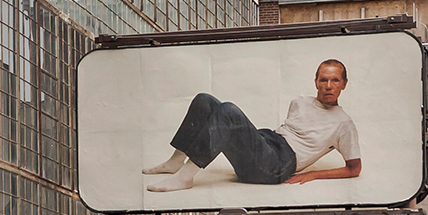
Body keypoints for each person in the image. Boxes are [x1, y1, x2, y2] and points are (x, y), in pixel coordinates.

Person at [145, 58, 364, 191]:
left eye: (335, 80)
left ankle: (185, 178)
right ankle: (176, 161)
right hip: (267, 143)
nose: (328, 86)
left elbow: (354, 169)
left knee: (228, 110)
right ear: (315, 81)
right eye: (323, 80)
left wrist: (313, 174)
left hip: (276, 166)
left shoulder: (343, 123)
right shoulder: (299, 102)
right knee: (205, 100)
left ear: (343, 84)